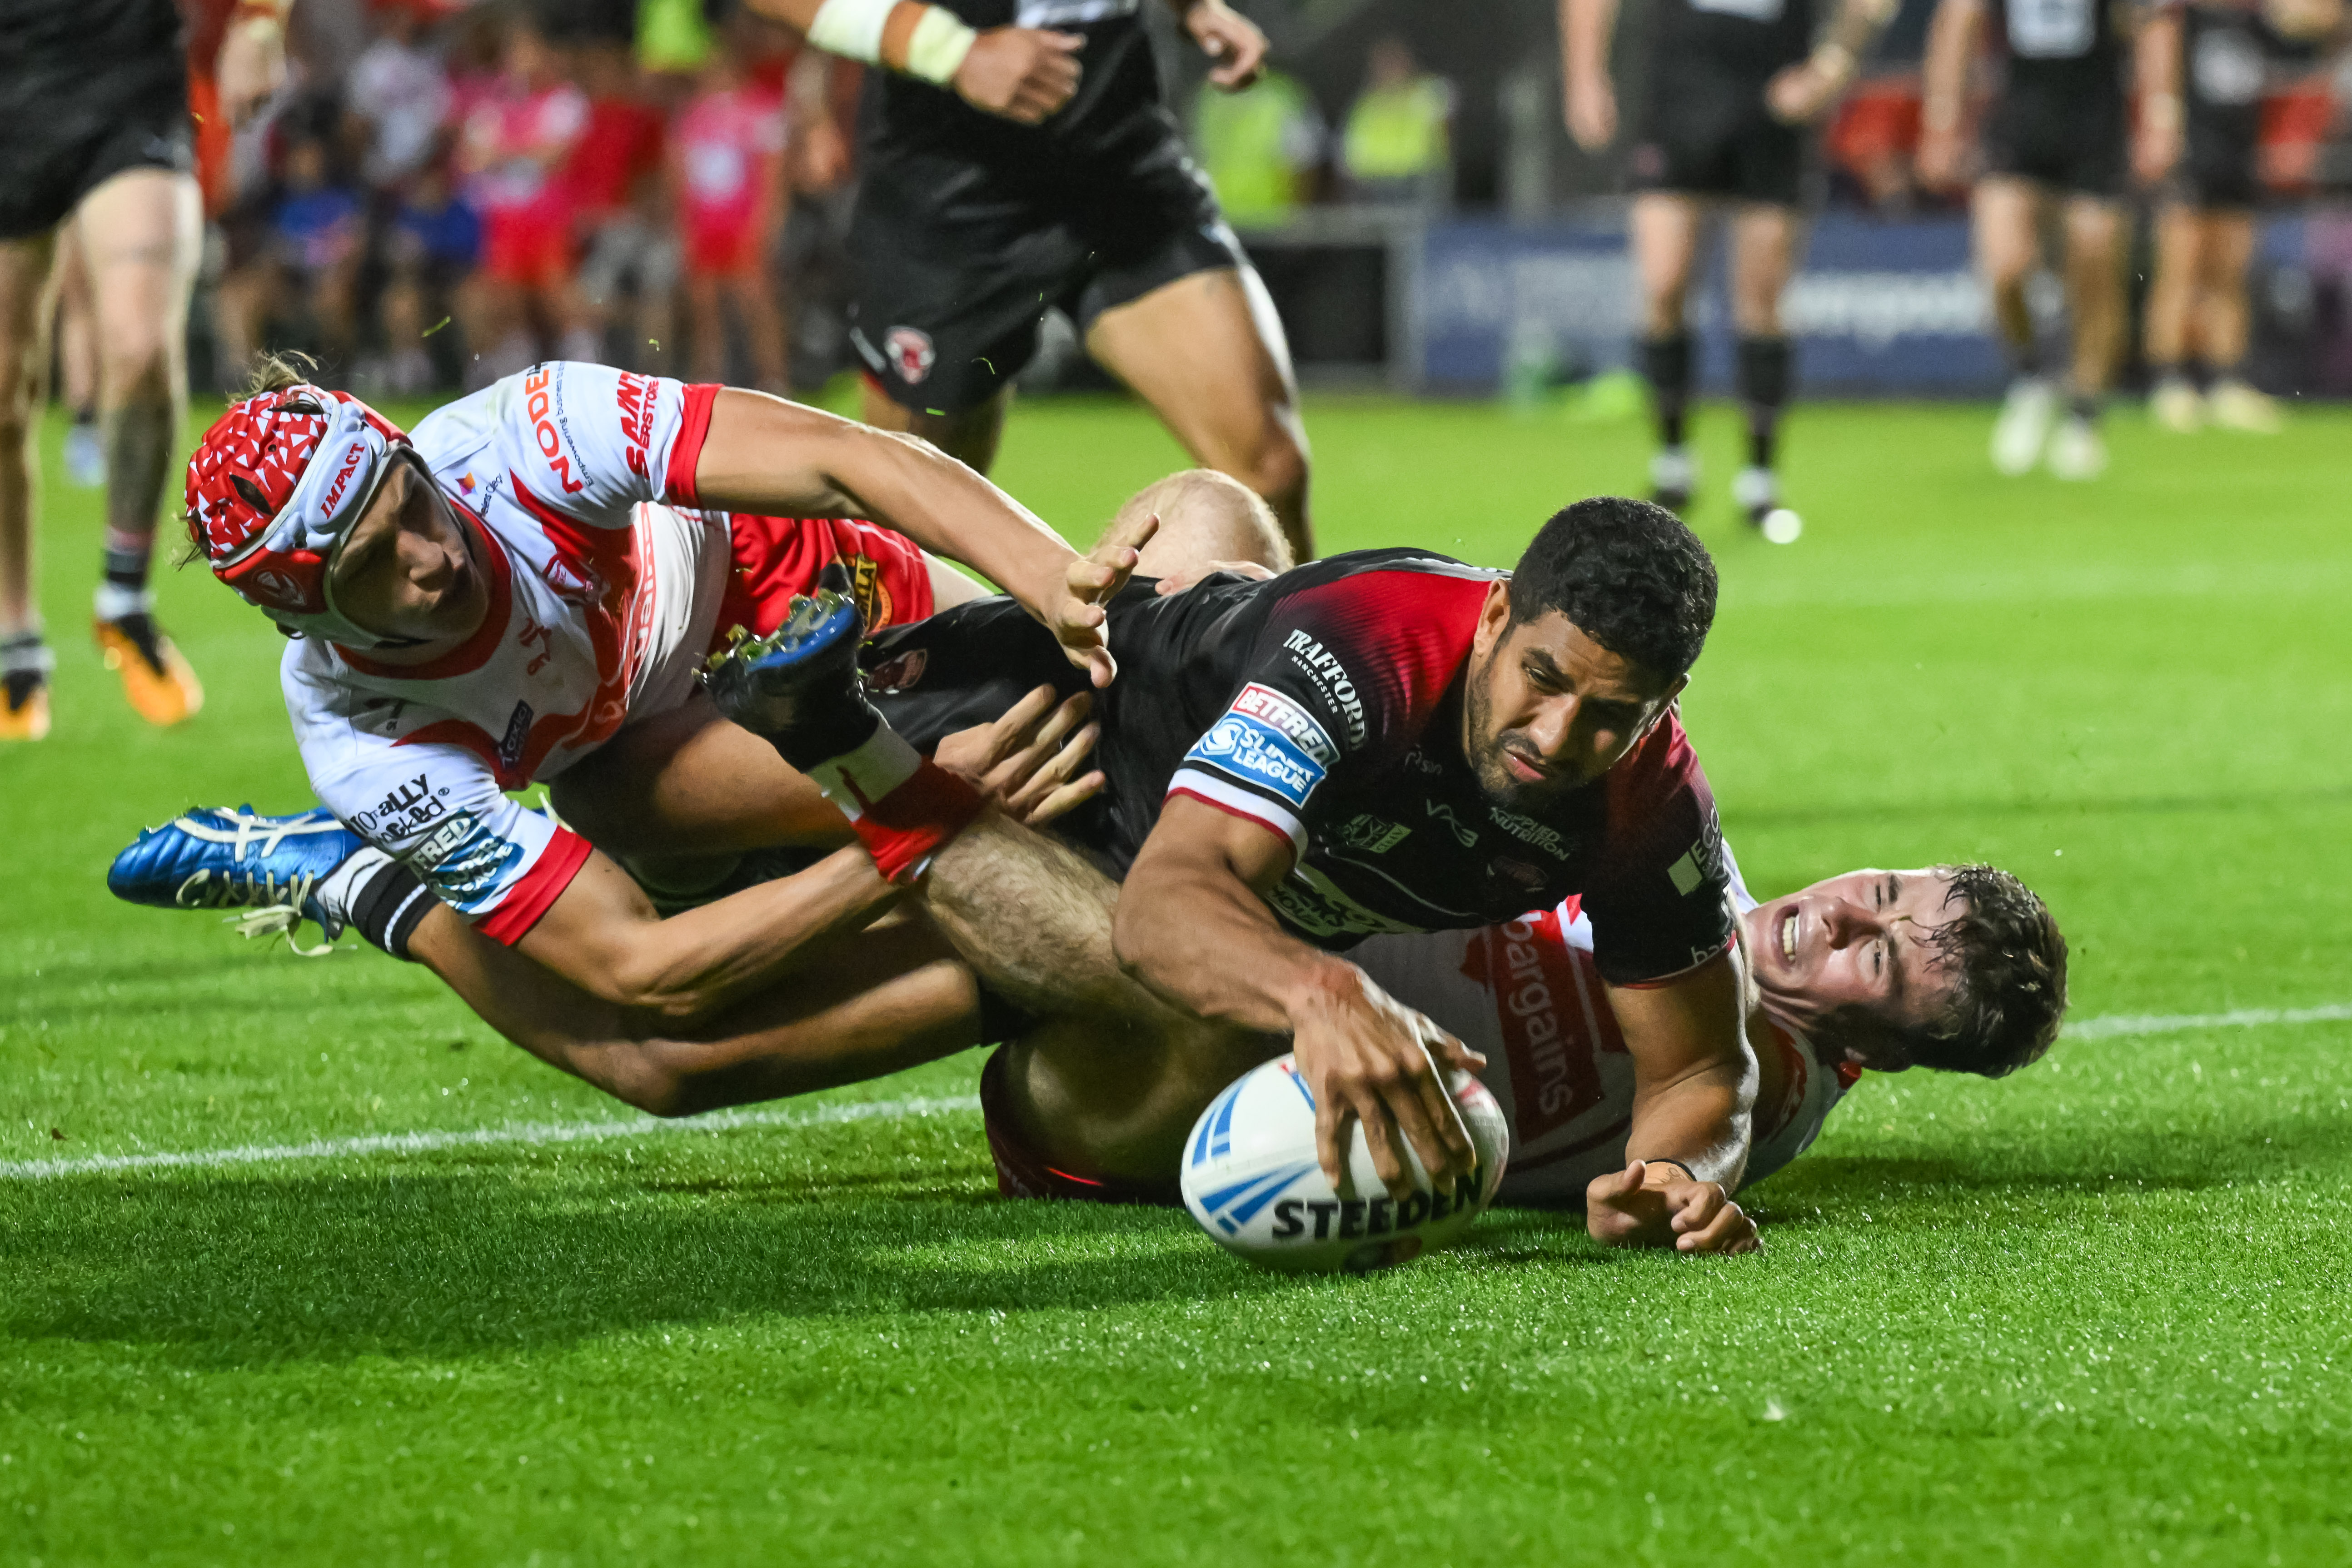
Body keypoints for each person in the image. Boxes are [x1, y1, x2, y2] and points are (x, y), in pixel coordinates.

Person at [163, 353, 1135, 1052]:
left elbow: (849, 461)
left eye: (409, 499)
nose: (432, 556)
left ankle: (1074, 968)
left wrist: (1052, 580)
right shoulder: (361, 736)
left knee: (1075, 719)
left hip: (794, 599)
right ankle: (377, 888)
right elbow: (641, 968)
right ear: (312, 618)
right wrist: (919, 830)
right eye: (371, 564)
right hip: (638, 782)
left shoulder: (529, 437)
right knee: (664, 1056)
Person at [745, 0, 1317, 562]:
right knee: (910, 525)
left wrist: (1191, 7)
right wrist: (952, 51)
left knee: (1269, 468)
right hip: (953, 192)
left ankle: (1299, 652)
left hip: (1117, 161)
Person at [0, 0, 272, 739]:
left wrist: (261, 22)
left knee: (140, 344)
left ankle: (124, 601)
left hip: (128, 74)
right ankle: (14, 642)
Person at [1562, 0, 1897, 536]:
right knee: (1663, 283)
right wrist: (1584, 76)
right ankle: (1672, 462)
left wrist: (1831, 66)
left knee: (1761, 299)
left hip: (1770, 109)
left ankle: (1760, 479)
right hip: (1677, 100)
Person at [1919, 0, 2144, 479]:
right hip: (2018, 120)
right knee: (2004, 267)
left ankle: (2084, 413)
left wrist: (2162, 115)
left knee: (2095, 258)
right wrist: (1941, 120)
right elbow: (1956, 20)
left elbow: (2154, 24)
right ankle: (2031, 375)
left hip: (2095, 122)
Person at [2137, 0, 2344, 433]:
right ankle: (2170, 382)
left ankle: (2227, 382)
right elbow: (2155, 62)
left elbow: (2319, 20)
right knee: (2180, 271)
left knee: (2230, 274)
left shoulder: (2255, 21)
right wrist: (2163, 130)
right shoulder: (2183, 18)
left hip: (2238, 156)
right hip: (2191, 155)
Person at [673, 32, 791, 391]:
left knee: (755, 303)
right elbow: (679, 176)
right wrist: (684, 227)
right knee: (705, 306)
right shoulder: (691, 116)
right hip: (705, 226)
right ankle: (709, 380)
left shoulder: (760, 110)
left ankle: (774, 379)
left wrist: (767, 223)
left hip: (744, 225)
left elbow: (773, 174)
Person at [1340, 35, 1454, 206]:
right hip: (1373, 184)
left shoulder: (1430, 91)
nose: (1388, 68)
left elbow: (1448, 133)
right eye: (1382, 63)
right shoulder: (1366, 103)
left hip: (1418, 180)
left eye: (1393, 61)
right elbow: (1350, 149)